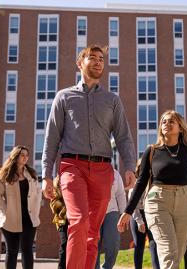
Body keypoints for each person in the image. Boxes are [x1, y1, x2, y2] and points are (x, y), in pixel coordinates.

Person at [41, 44, 137, 269]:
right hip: (72, 166)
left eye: (101, 59)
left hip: (103, 170)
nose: (97, 62)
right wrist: (46, 175)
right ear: (80, 63)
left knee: (93, 233)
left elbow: (123, 136)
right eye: (92, 58)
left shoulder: (112, 100)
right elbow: (51, 138)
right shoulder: (64, 97)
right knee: (79, 221)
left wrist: (130, 166)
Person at [118, 110, 187, 269]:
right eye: (164, 122)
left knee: (177, 253)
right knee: (169, 252)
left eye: (171, 122)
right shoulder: (152, 151)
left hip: (184, 202)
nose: (167, 124)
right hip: (158, 201)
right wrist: (128, 211)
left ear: (180, 127)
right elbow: (141, 183)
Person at [0, 145, 41, 269]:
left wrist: (36, 211)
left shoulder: (31, 174)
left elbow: (37, 193)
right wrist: (6, 210)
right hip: (10, 220)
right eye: (22, 155)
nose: (25, 157)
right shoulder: (4, 175)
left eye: (27, 155)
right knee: (12, 252)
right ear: (15, 156)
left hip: (29, 220)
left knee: (28, 251)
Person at [128, 161, 160, 269]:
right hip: (137, 215)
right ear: (138, 169)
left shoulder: (153, 183)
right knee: (139, 245)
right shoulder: (135, 184)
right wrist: (140, 221)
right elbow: (133, 206)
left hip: (150, 213)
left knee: (154, 244)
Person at [95, 169, 126, 269]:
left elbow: (121, 194)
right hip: (94, 212)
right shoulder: (90, 169)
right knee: (94, 244)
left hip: (112, 211)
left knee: (113, 243)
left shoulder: (115, 173)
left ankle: (107, 267)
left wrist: (124, 214)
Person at [50, 175, 68, 269]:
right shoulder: (55, 197)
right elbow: (56, 210)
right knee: (64, 244)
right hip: (62, 222)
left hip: (73, 221)